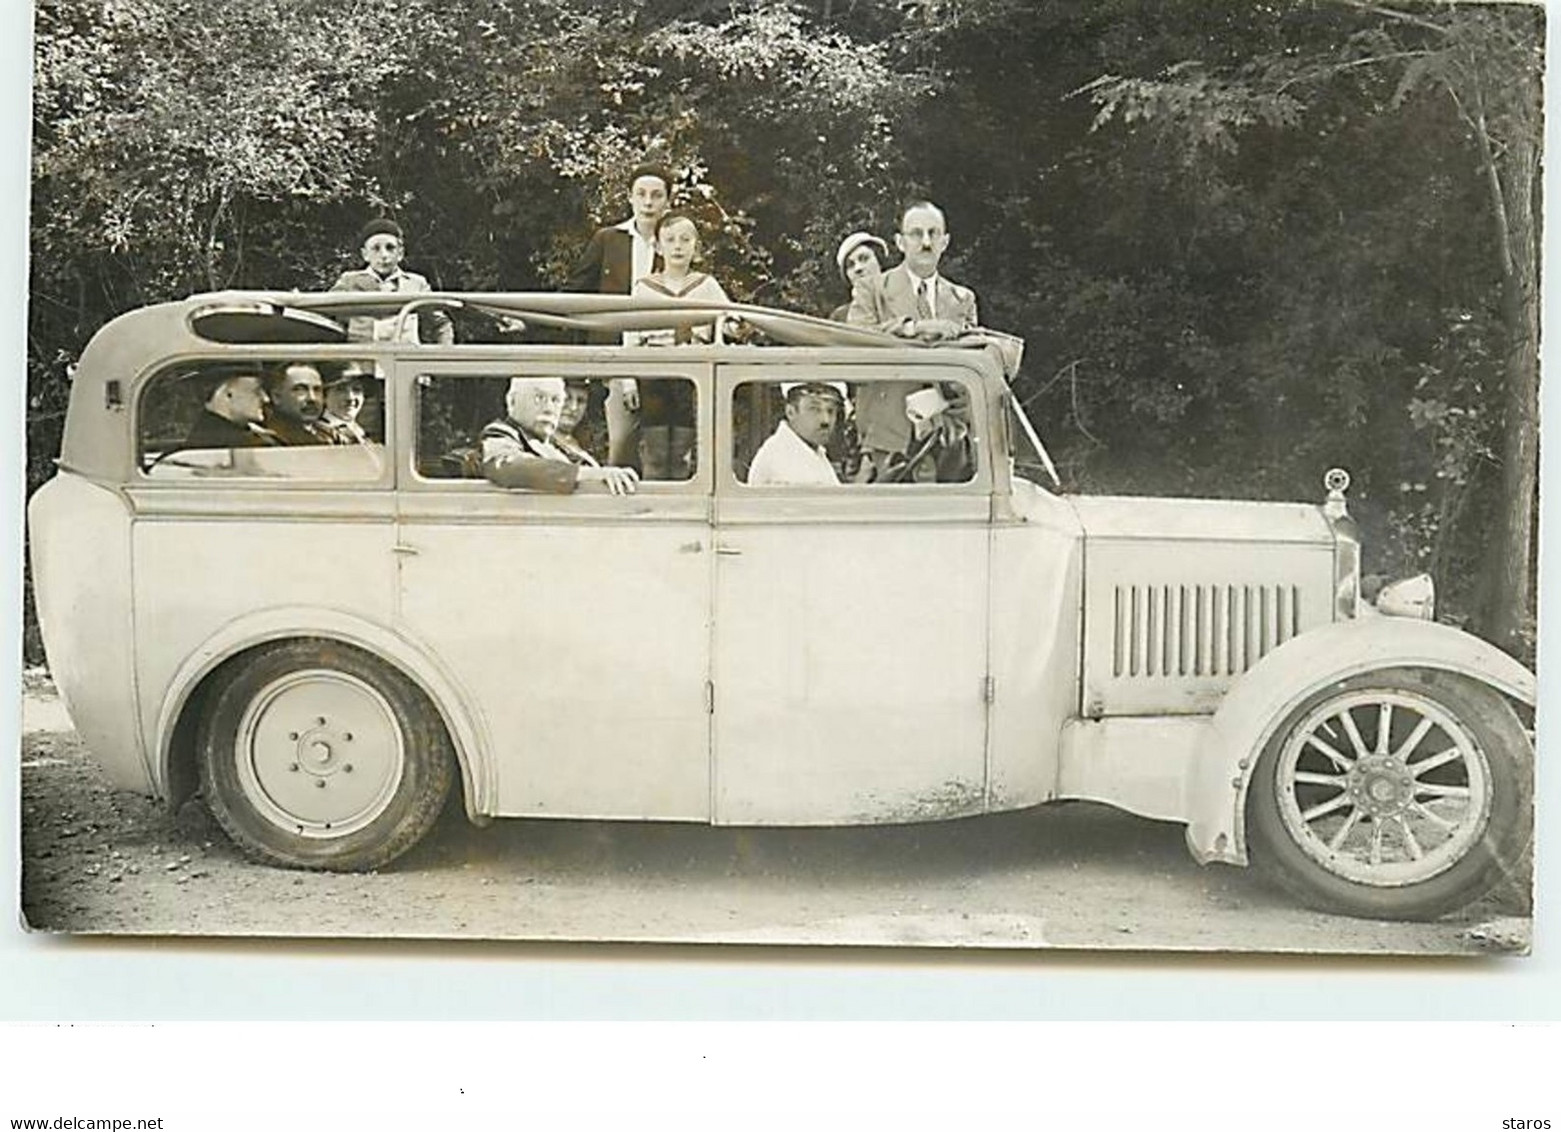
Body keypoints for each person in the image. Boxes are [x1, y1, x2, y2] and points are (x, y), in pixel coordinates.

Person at [847, 201, 979, 476]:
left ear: (945, 242)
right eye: (916, 234)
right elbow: (856, 340)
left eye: (933, 233)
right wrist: (913, 328)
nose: (926, 242)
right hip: (890, 440)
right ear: (900, 242)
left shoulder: (962, 299)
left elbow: (972, 369)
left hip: (951, 440)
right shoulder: (872, 289)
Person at [564, 163, 673, 466]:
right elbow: (576, 292)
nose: (648, 203)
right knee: (621, 449)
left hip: (662, 360)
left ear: (668, 201)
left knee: (662, 452)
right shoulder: (608, 239)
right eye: (641, 194)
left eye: (656, 195)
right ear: (630, 198)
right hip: (615, 359)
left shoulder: (675, 243)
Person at [622, 210, 729, 480]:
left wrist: (731, 327)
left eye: (685, 240)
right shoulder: (645, 288)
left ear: (696, 246)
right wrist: (628, 380)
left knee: (683, 450)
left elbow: (729, 323)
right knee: (655, 449)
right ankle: (653, 508)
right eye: (670, 240)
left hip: (692, 376)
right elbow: (630, 336)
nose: (678, 246)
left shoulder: (707, 286)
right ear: (658, 246)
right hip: (654, 374)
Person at [481, 376, 639, 495]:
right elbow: (508, 465)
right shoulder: (501, 433)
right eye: (539, 398)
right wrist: (585, 474)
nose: (550, 409)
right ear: (512, 401)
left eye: (556, 400)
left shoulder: (555, 445)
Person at [330, 219, 455, 346]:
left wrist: (445, 354)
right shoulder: (349, 281)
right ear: (365, 254)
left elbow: (440, 323)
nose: (384, 255)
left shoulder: (416, 284)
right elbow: (325, 317)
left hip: (405, 360)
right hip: (363, 359)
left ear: (400, 253)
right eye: (376, 248)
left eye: (390, 248)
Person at [747, 382, 847, 486]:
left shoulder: (809, 450)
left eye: (830, 411)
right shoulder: (782, 460)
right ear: (790, 412)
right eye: (814, 409)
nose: (825, 420)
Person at [184, 371, 279, 448]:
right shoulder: (229, 443)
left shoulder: (206, 432)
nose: (266, 399)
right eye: (257, 391)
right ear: (229, 395)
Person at [263, 362, 335, 446]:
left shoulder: (329, 434)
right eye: (300, 390)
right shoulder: (268, 440)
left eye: (317, 390)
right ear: (276, 397)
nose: (312, 398)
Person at [829, 231, 888, 322]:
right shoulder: (840, 317)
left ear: (879, 262)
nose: (858, 268)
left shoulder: (903, 296)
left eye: (864, 258)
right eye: (851, 265)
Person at [551, 378, 601, 466]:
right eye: (566, 399)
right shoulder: (544, 444)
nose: (573, 407)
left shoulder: (588, 445)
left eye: (581, 401)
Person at [320, 362, 372, 445]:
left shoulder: (358, 431)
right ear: (324, 396)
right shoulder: (320, 433)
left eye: (357, 389)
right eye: (340, 389)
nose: (350, 398)